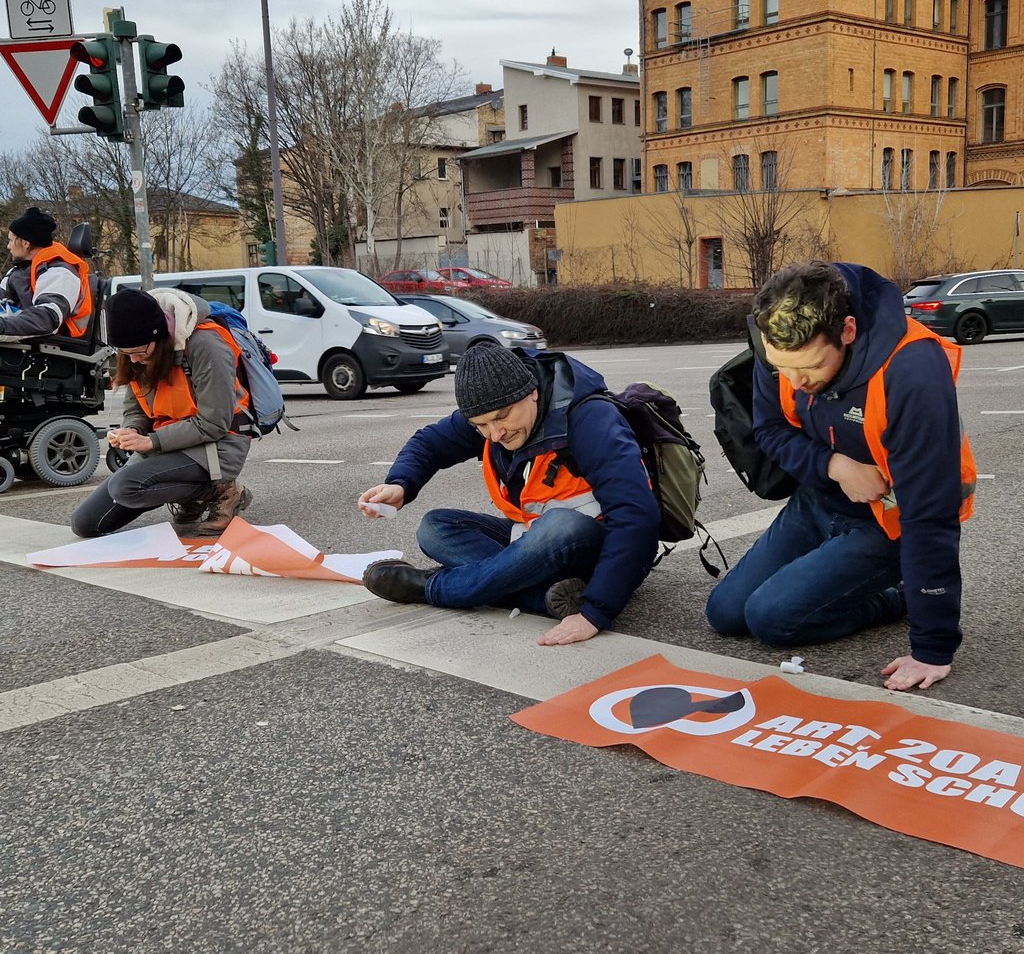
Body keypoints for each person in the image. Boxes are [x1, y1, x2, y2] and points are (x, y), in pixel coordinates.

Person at [705, 261, 976, 691]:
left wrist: (933, 646)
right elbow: (770, 429)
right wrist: (835, 466)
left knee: (771, 619)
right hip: (821, 498)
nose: (795, 381)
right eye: (783, 369)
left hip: (889, 519)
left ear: (847, 331)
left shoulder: (912, 369)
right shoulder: (777, 345)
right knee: (725, 614)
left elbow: (931, 511)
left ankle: (897, 597)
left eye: (809, 367)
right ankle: (838, 577)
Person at [357, 345, 661, 645]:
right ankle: (540, 596)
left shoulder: (590, 418)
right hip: (530, 539)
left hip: (596, 549)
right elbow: (429, 443)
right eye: (480, 425)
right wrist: (400, 484)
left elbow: (636, 515)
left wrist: (595, 612)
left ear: (532, 392)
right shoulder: (490, 414)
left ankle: (431, 588)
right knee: (435, 527)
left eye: (502, 417)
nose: (495, 434)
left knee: (560, 526)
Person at [71, 287, 254, 538]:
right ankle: (193, 494)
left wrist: (151, 441)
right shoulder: (136, 351)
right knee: (85, 524)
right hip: (167, 444)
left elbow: (214, 423)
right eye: (126, 354)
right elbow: (136, 408)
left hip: (216, 445)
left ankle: (221, 490)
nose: (133, 361)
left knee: (126, 487)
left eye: (139, 352)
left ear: (160, 337)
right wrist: (132, 430)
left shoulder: (206, 344)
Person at [0, 207, 93, 341]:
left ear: (26, 243)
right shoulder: (18, 270)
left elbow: (47, 319)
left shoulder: (61, 272)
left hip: (57, 348)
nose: (8, 246)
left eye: (10, 240)